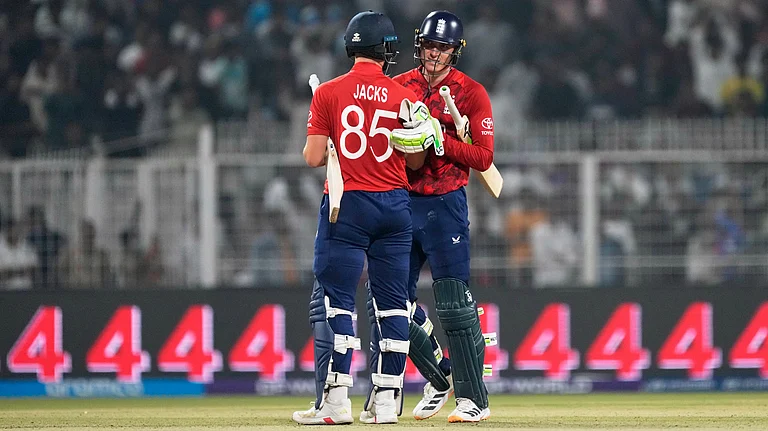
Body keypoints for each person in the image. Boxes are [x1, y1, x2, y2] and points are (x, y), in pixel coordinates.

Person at [292, 10, 442, 425]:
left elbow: (313, 157)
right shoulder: (403, 97)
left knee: (338, 301)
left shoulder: (329, 93)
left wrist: (328, 128)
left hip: (348, 205)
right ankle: (388, 402)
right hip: (394, 206)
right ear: (385, 51)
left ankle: (337, 402)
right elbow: (415, 162)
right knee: (393, 306)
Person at [392, 10, 495, 423]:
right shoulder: (399, 86)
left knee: (453, 302)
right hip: (401, 201)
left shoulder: (471, 93)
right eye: (430, 45)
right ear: (420, 45)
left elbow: (484, 157)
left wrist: (443, 139)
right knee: (389, 300)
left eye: (443, 47)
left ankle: (474, 400)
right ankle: (439, 379)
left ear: (456, 51)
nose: (434, 54)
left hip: (446, 203)